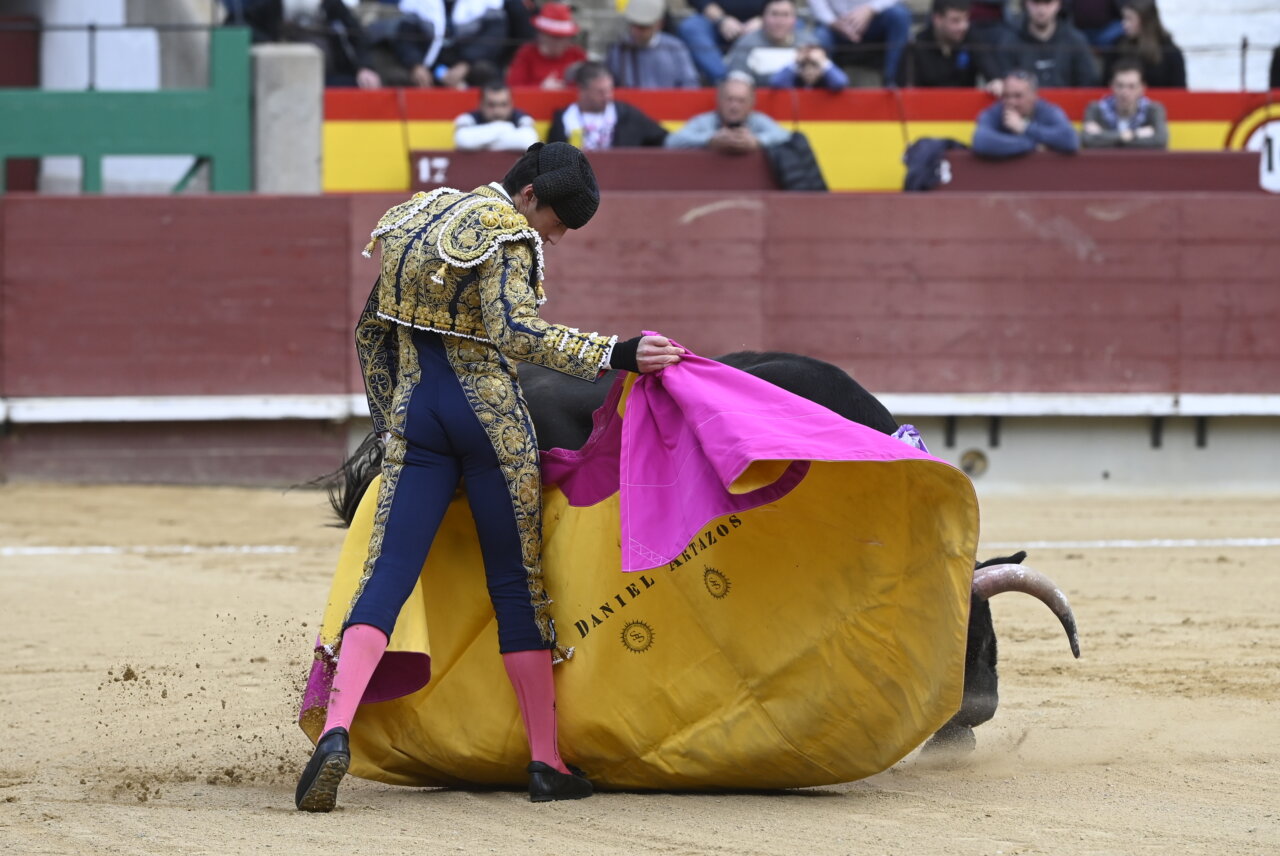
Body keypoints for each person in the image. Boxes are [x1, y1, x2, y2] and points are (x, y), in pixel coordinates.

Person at [294, 142, 685, 813]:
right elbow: (516, 334)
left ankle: (335, 732)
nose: (553, 238)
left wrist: (391, 423)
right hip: (488, 420)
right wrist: (615, 352)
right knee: (516, 584)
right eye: (555, 223)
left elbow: (370, 334)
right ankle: (546, 761)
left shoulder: (413, 216)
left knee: (387, 575)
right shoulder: (508, 233)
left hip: (418, 416)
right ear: (529, 194)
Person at [547, 63, 669, 149]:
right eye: (600, 92)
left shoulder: (626, 114)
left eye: (609, 90)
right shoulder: (565, 119)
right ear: (582, 91)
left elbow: (661, 138)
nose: (608, 97)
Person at [664, 71, 792, 152]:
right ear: (718, 100)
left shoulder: (758, 120)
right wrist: (711, 140)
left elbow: (787, 137)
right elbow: (671, 142)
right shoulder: (704, 121)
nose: (734, 106)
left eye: (741, 101)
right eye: (729, 99)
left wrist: (756, 141)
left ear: (752, 103)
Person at [971, 68, 1079, 158]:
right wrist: (1032, 144)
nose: (1011, 102)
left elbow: (1070, 140)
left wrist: (1025, 127)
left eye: (1018, 96)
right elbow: (981, 141)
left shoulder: (1047, 110)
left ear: (1034, 95)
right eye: (1006, 96)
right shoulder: (995, 111)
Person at [992, 0, 1099, 89]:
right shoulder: (1009, 41)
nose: (1041, 9)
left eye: (1048, 2)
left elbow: (1088, 83)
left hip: (1069, 106)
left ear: (1059, 4)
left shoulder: (1075, 40)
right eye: (1035, 2)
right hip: (1023, 107)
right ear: (1025, 3)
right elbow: (1003, 79)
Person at [724, 0, 831, 88]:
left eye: (785, 15)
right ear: (763, 18)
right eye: (774, 14)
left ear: (795, 19)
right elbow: (736, 84)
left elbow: (829, 81)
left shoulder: (809, 43)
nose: (779, 21)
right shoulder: (746, 43)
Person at [807, 0, 913, 87]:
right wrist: (833, 22)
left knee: (899, 15)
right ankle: (821, 88)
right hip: (834, 27)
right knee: (819, 37)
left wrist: (871, 8)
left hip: (875, 20)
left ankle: (891, 81)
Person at [605, 0, 701, 88]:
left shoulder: (675, 48)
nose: (635, 32)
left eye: (643, 27)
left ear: (658, 25)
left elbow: (690, 85)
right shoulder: (619, 50)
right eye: (633, 25)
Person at [907, 0, 1001, 88]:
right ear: (937, 19)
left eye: (966, 19)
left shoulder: (971, 38)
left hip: (965, 99)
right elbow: (909, 87)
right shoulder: (917, 44)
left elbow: (991, 71)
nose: (963, 26)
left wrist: (996, 82)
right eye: (955, 20)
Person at [1082, 58, 1168, 149]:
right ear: (1111, 86)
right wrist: (1134, 134)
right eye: (1120, 86)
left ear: (1142, 88)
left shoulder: (1153, 109)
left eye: (1131, 86)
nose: (1125, 92)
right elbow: (1087, 140)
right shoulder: (1096, 109)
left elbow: (1160, 141)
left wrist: (1104, 135)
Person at [676, 0, 768, 85]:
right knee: (691, 27)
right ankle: (725, 81)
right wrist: (721, 19)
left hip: (763, 22)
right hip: (714, 20)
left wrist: (764, 20)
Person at [1102, 0, 1185, 88]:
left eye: (1129, 19)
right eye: (1124, 18)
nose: (1124, 24)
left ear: (1145, 21)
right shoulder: (1117, 46)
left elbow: (1179, 90)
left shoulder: (1169, 51)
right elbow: (1104, 85)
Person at [506, 2, 587, 89]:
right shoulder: (526, 53)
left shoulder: (577, 55)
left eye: (563, 37)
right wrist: (541, 88)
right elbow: (514, 88)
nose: (558, 42)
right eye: (553, 36)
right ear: (541, 35)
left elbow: (587, 86)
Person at [454, 82, 540, 151]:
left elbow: (529, 141)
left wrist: (480, 143)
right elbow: (463, 141)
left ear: (512, 104)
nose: (497, 111)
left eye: (503, 104)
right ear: (480, 104)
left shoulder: (521, 118)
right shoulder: (468, 118)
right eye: (491, 105)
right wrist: (505, 128)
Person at [770, 41, 850, 91]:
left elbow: (840, 82)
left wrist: (823, 61)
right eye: (804, 66)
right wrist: (795, 62)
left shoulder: (827, 80)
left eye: (815, 65)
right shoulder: (794, 80)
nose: (809, 71)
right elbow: (776, 83)